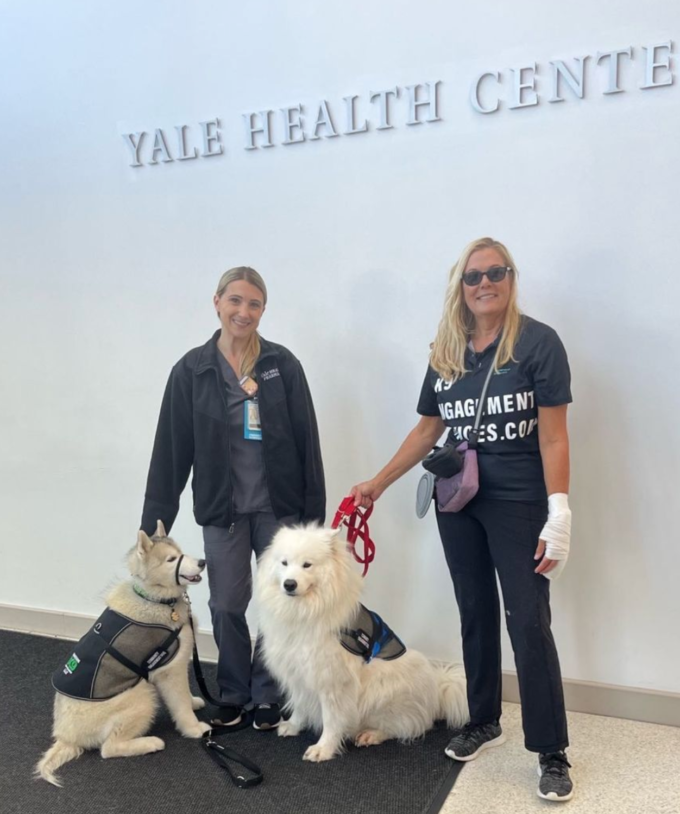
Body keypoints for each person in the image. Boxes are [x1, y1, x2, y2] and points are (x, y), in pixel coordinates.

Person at [350, 237, 574, 802]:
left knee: (527, 621)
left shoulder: (538, 344)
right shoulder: (447, 352)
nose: (484, 284)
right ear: (460, 286)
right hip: (458, 499)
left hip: (519, 501)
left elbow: (553, 434)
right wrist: (377, 483)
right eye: (473, 277)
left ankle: (551, 750)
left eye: (495, 273)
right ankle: (483, 718)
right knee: (474, 610)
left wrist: (560, 511)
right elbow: (428, 430)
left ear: (511, 279)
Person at [141, 266, 325, 730]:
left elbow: (308, 442)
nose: (244, 312)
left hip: (278, 510)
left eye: (254, 304)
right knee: (226, 604)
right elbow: (171, 450)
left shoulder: (282, 366)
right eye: (236, 301)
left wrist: (313, 522)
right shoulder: (192, 370)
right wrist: (153, 525)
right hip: (223, 509)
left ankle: (267, 691)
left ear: (263, 310)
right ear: (217, 302)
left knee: (277, 604)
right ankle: (234, 690)